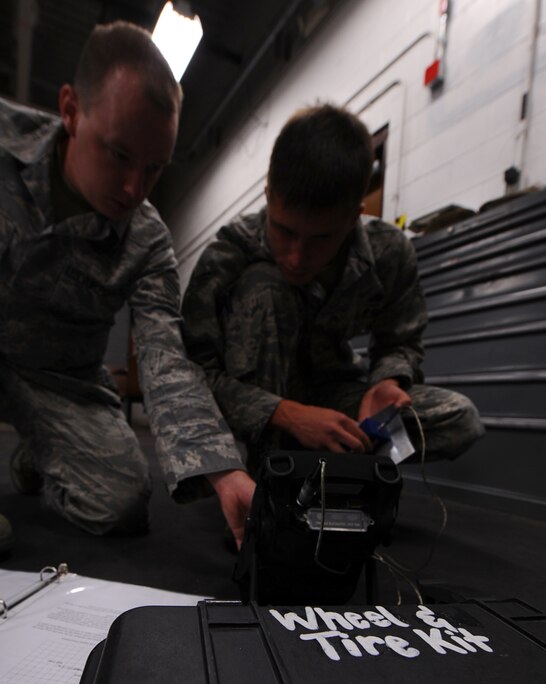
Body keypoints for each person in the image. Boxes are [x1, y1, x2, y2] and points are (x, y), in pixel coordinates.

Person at [0, 21, 254, 548]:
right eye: (118, 155)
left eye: (155, 168)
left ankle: (42, 449)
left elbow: (166, 358)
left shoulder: (147, 238)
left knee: (121, 502)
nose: (135, 187)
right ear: (71, 110)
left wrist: (223, 470)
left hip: (58, 379)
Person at [182, 104, 484, 471]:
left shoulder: (389, 252)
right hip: (258, 407)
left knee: (459, 419)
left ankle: (344, 473)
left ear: (354, 215)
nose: (296, 257)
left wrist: (385, 383)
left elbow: (401, 341)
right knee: (266, 285)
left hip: (336, 397)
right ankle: (272, 482)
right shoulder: (229, 255)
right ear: (268, 195)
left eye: (321, 239)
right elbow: (195, 375)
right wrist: (287, 415)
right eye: (285, 231)